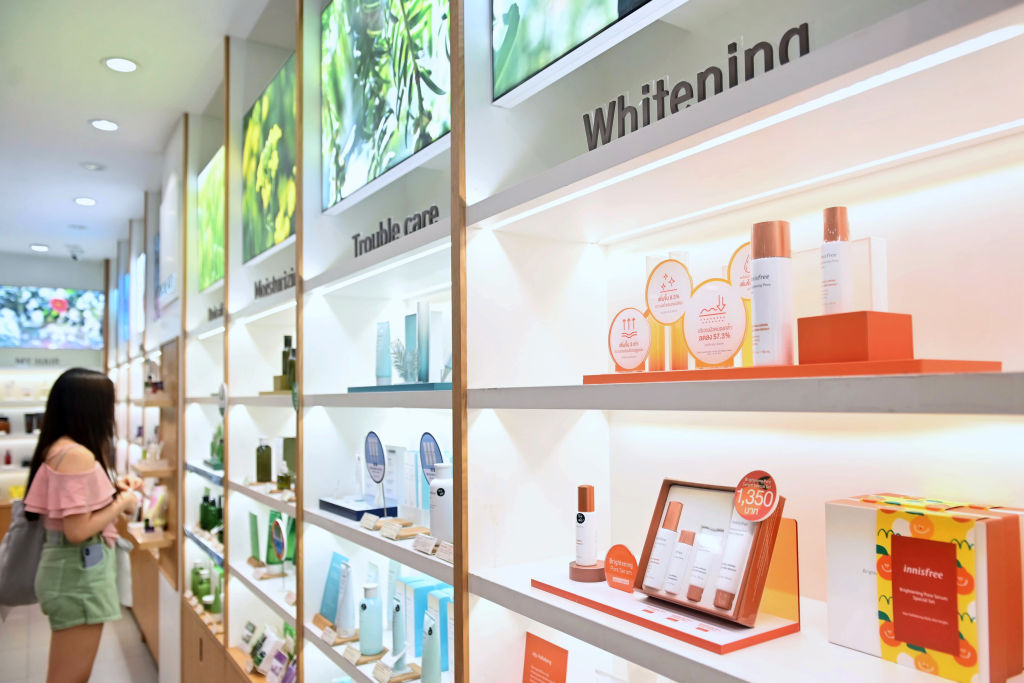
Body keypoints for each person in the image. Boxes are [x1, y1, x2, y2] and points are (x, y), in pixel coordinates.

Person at [23, 368, 143, 683]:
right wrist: (122, 503)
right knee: (70, 677)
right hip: (77, 576)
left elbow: (76, 509)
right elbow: (77, 531)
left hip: (74, 573)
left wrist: (113, 491)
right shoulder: (77, 455)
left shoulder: (63, 448)